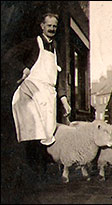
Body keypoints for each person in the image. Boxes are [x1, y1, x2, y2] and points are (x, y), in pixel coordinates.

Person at [4, 13, 71, 177]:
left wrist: (65, 102)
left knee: (47, 133)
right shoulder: (34, 43)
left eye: (55, 26)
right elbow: (9, 56)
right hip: (31, 93)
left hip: (48, 95)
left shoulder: (56, 49)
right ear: (42, 26)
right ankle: (28, 174)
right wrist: (23, 68)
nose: (52, 29)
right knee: (32, 132)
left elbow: (60, 77)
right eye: (49, 25)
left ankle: (39, 174)